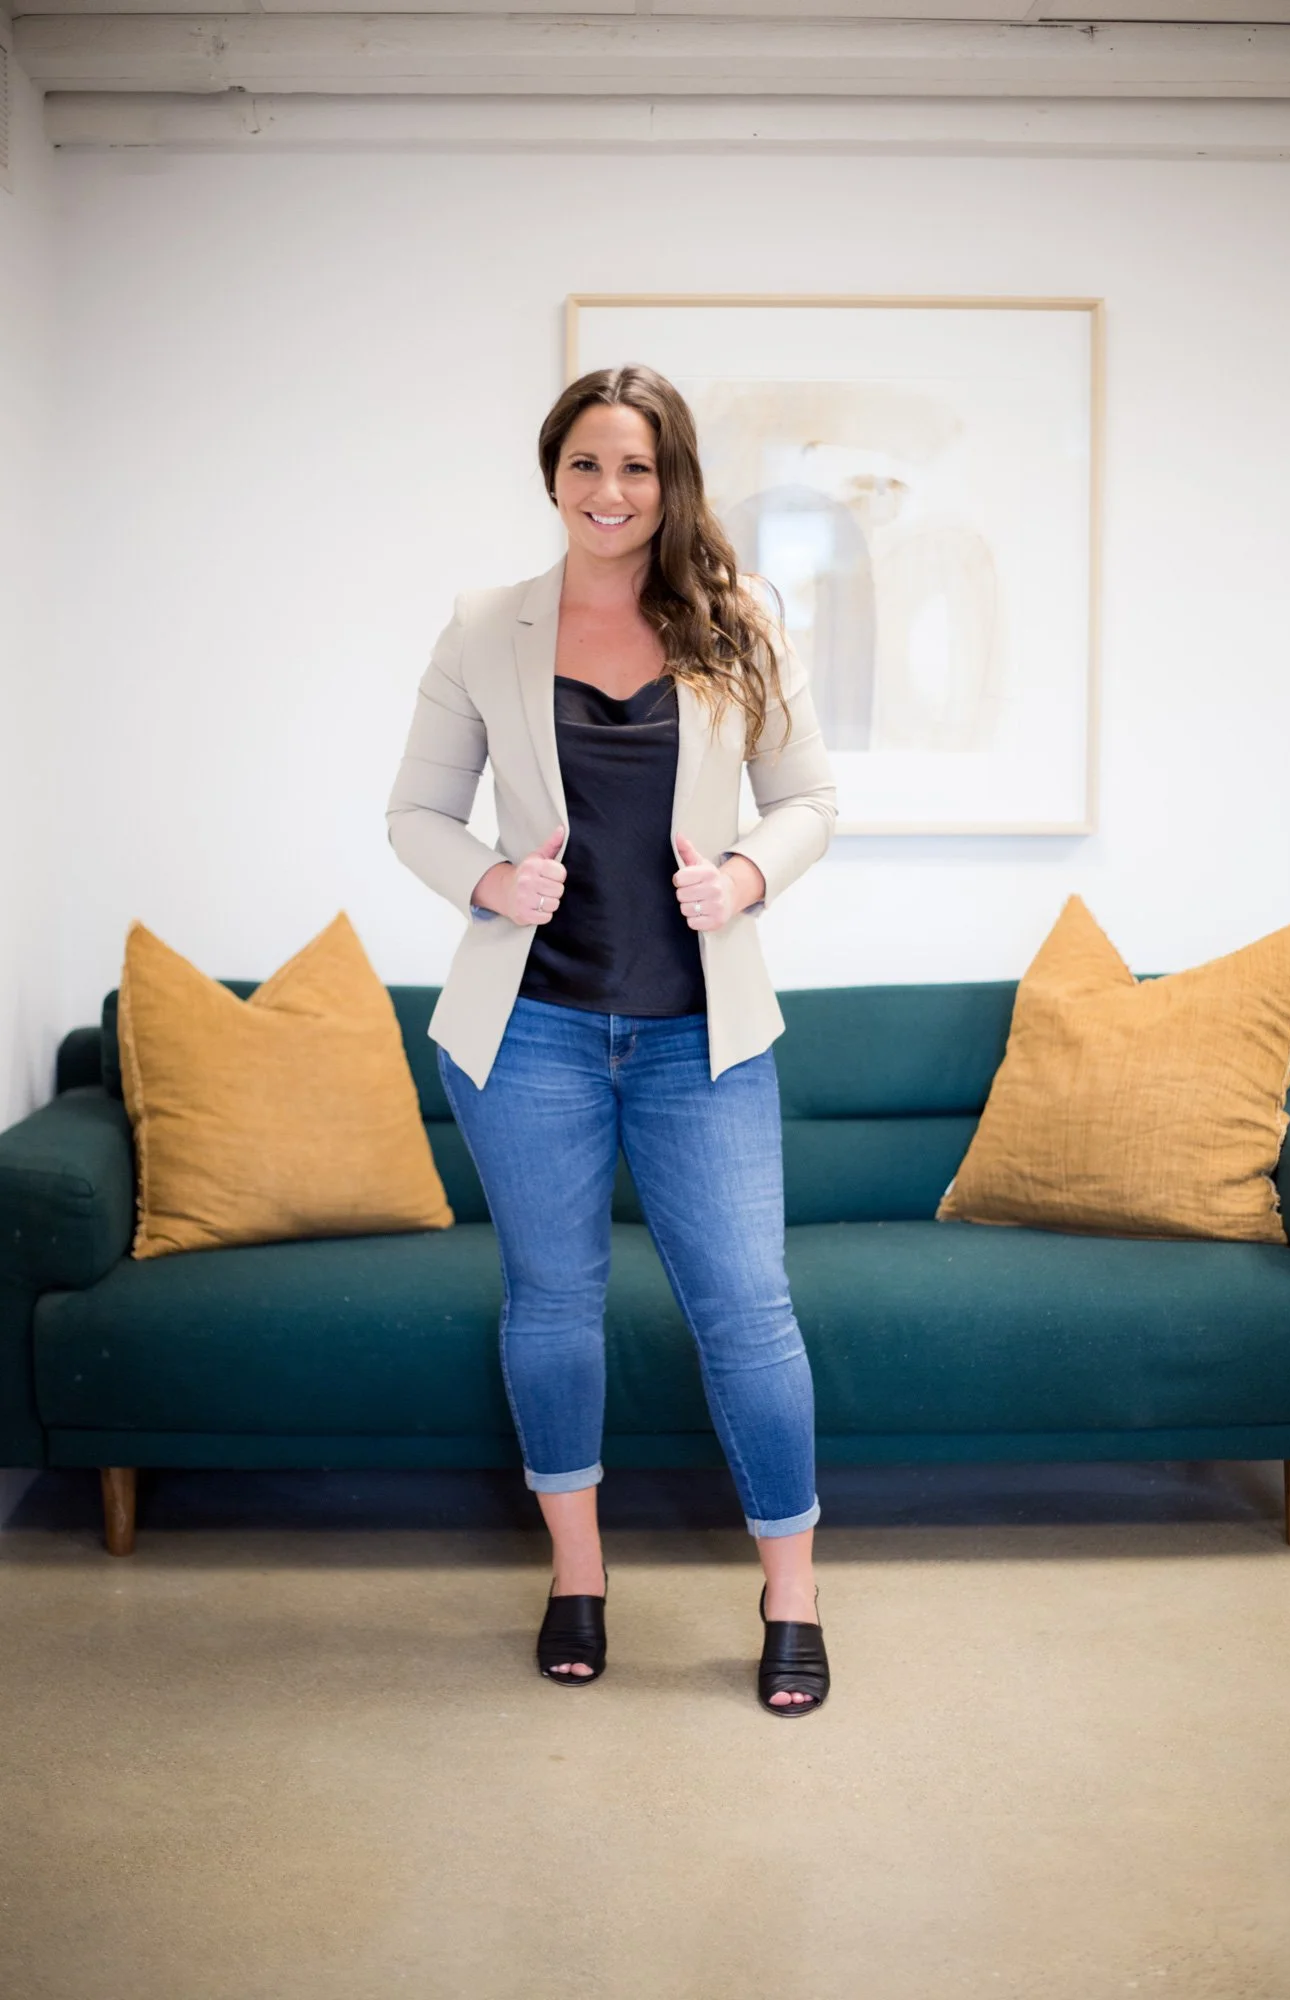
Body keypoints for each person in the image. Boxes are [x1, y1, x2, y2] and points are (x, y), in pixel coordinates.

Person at [385, 364, 838, 1716]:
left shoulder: (736, 620)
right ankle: (577, 1577)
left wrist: (746, 877)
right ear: (553, 473)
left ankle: (793, 1595)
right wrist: (488, 880)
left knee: (749, 1316)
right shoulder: (485, 627)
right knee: (554, 1310)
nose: (611, 492)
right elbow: (415, 814)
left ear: (671, 479)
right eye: (587, 464)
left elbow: (809, 797)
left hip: (706, 1038)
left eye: (636, 468)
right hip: (530, 1034)